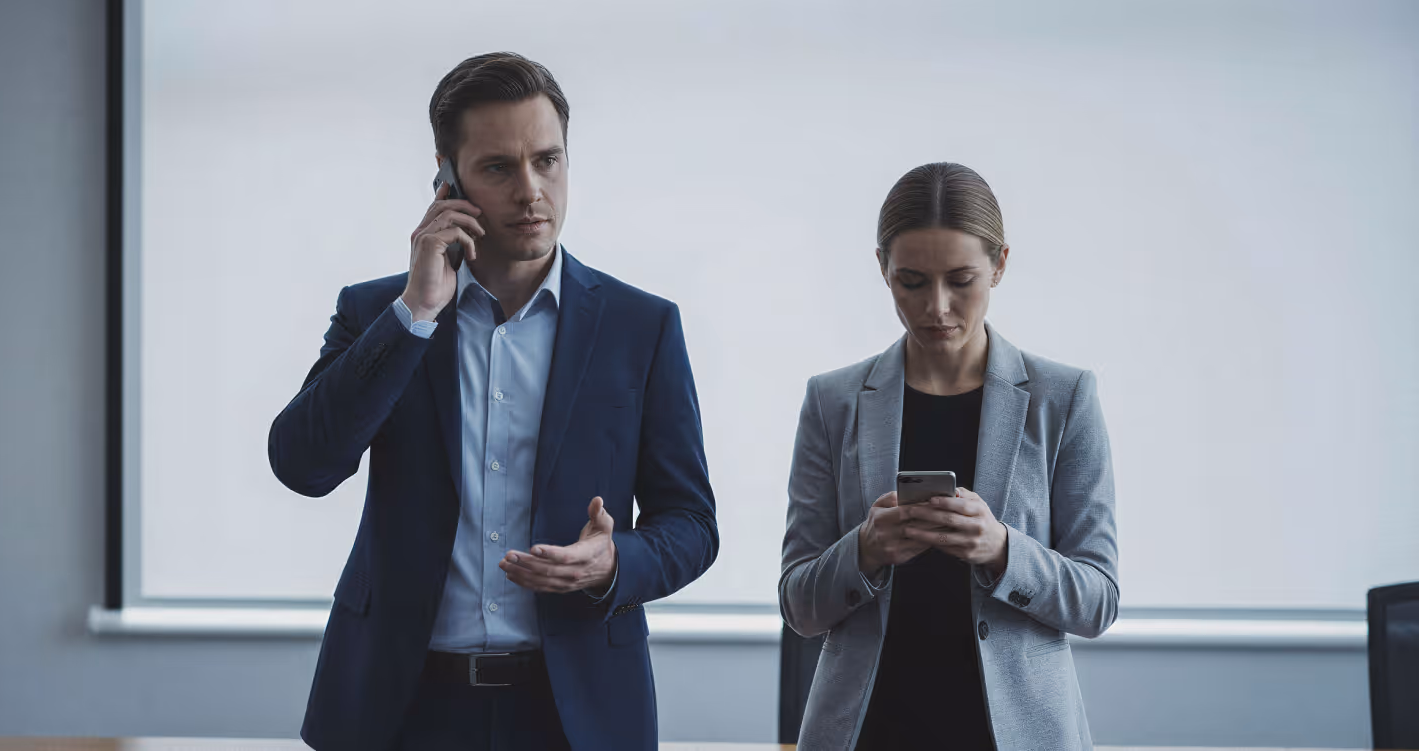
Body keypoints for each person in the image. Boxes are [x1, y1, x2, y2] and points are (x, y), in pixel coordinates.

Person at [268, 52, 719, 751]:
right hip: (400, 707)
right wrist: (416, 311)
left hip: (575, 711)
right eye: (499, 168)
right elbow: (303, 464)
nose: (532, 191)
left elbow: (691, 523)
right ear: (447, 180)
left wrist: (614, 563)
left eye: (548, 161)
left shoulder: (642, 327)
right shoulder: (378, 314)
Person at [779, 162, 1119, 750]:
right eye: (912, 281)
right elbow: (799, 604)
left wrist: (1003, 551)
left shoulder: (1063, 399)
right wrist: (864, 551)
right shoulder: (832, 402)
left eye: (961, 280)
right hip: (867, 731)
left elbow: (1098, 600)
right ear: (882, 269)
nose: (937, 307)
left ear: (1000, 265)